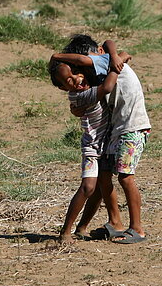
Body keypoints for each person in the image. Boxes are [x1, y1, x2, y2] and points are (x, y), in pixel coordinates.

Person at [50, 36, 151, 244]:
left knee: (124, 177)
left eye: (78, 70)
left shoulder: (103, 62)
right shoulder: (97, 78)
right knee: (103, 178)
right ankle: (114, 223)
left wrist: (116, 56)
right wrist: (120, 57)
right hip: (114, 133)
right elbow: (109, 52)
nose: (78, 78)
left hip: (131, 127)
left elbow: (104, 48)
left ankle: (137, 229)